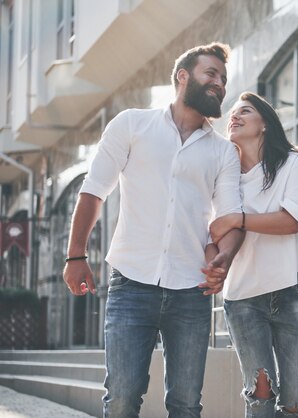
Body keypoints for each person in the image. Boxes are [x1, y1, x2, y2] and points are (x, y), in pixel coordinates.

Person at [62, 43, 244, 418]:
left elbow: (229, 218)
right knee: (124, 398)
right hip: (132, 282)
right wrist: (75, 254)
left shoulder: (223, 152)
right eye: (211, 74)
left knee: (186, 404)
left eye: (223, 79)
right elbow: (94, 191)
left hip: (191, 291)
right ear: (182, 77)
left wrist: (225, 257)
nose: (219, 84)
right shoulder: (132, 124)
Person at [205, 92, 298, 417]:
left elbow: (291, 221)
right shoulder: (223, 179)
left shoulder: (293, 164)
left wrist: (238, 219)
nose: (235, 116)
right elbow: (214, 232)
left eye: (244, 111)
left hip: (290, 291)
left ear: (264, 125)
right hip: (243, 297)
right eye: (232, 113)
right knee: (260, 392)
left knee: (295, 400)